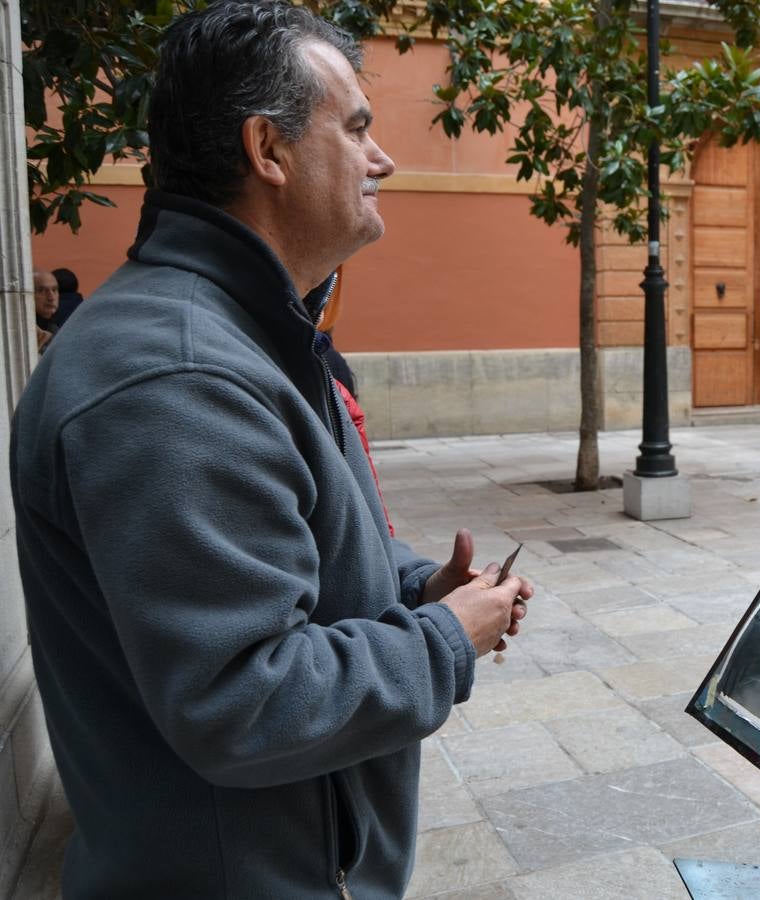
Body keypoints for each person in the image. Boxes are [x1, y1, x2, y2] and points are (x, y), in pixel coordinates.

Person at [9, 4, 531, 897]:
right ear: (268, 149)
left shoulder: (246, 332)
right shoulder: (176, 379)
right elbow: (243, 702)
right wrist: (444, 640)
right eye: (358, 127)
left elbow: (283, 567)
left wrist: (413, 589)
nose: (384, 159)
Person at [31, 269, 60, 352]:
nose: (51, 297)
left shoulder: (59, 329)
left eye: (54, 290)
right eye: (41, 290)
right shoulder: (23, 331)